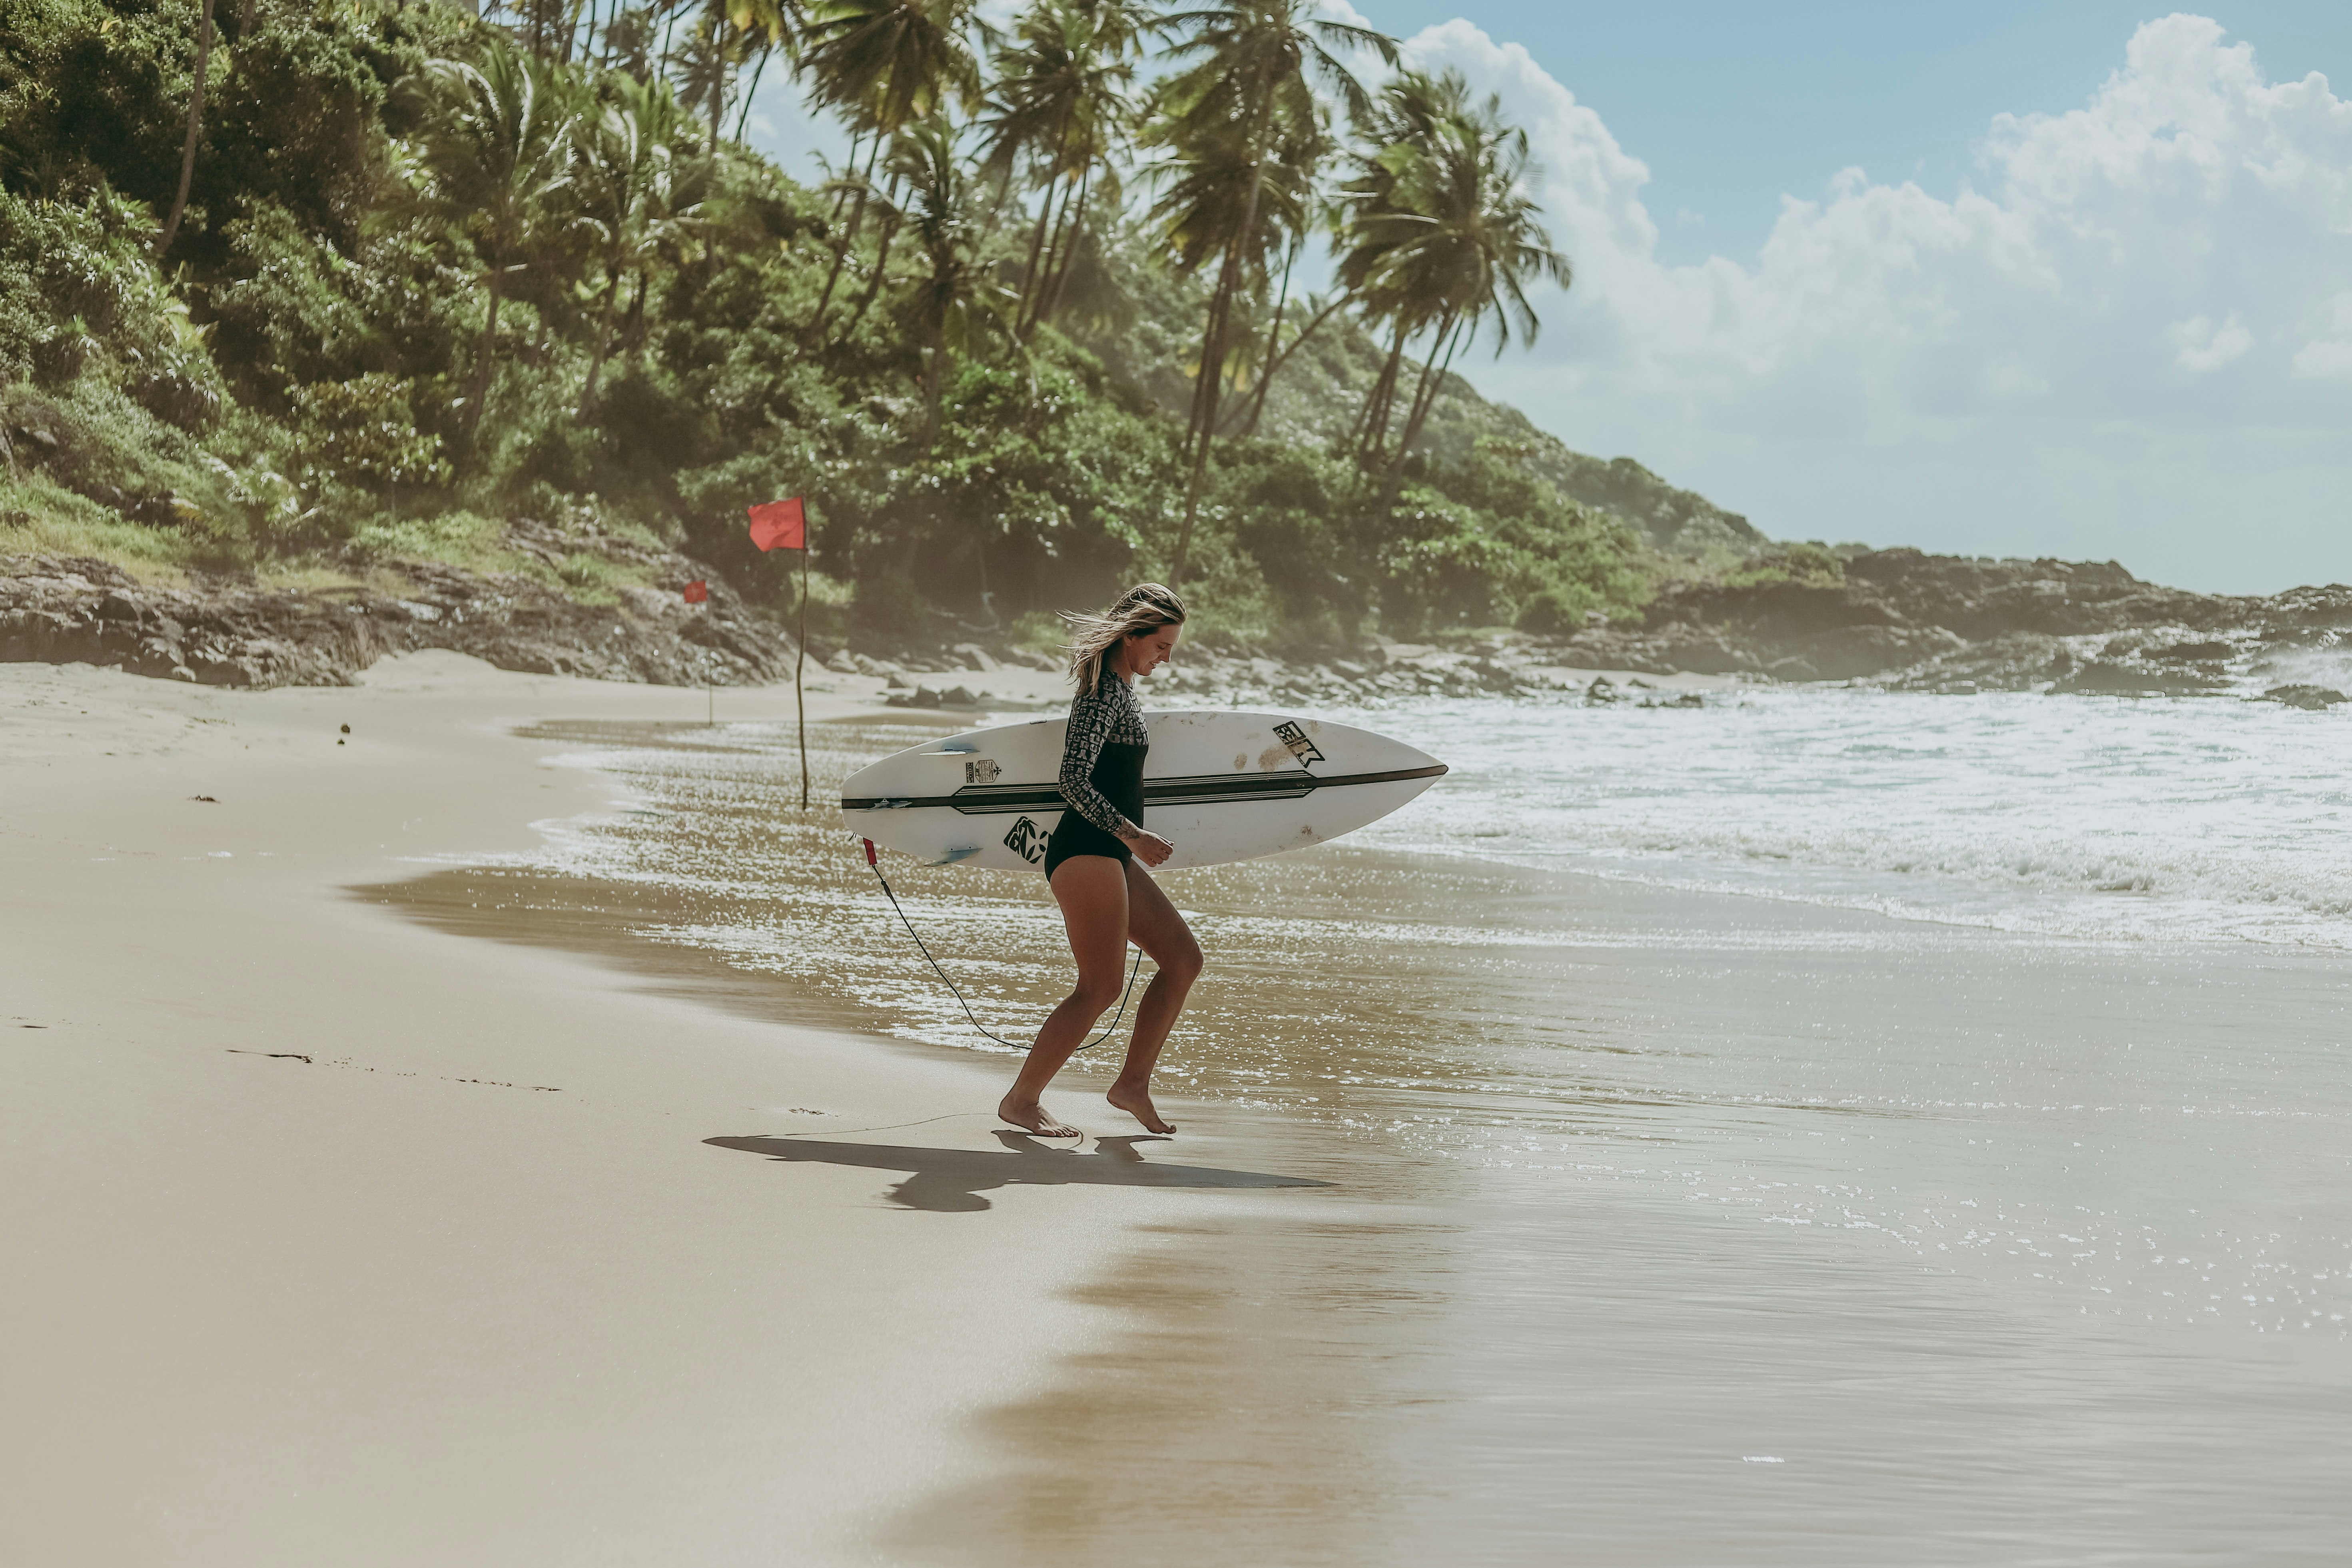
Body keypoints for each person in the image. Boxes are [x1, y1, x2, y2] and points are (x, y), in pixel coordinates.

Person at [998, 583, 1201, 1139]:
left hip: (1108, 851)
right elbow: (1071, 779)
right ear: (1132, 635)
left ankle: (1132, 1084)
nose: (1167, 657)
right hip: (1086, 850)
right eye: (1161, 645)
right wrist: (1134, 835)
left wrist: (1128, 843)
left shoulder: (1121, 688)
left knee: (1183, 959)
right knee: (1100, 986)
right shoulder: (1100, 692)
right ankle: (1022, 1099)